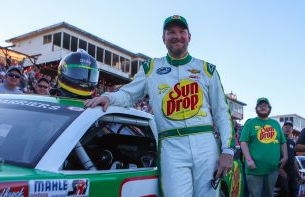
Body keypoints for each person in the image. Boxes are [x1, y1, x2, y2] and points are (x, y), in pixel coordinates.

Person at [84, 15, 234, 197]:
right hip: (171, 145)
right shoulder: (151, 68)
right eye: (171, 32)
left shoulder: (207, 69)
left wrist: (227, 150)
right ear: (164, 38)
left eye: (182, 32)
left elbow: (221, 112)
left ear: (189, 37)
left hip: (205, 143)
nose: (177, 36)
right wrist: (109, 98)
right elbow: (128, 94)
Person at [240, 97, 287, 197]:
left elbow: (283, 142)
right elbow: (243, 142)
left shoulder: (275, 124)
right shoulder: (250, 123)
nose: (263, 107)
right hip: (254, 170)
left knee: (269, 195)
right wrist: (249, 159)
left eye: (265, 105)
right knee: (255, 195)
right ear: (256, 109)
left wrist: (285, 157)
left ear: (269, 108)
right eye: (260, 105)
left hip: (272, 169)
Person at [277, 120, 299, 197]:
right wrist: (279, 170)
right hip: (281, 173)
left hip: (292, 175)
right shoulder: (276, 141)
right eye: (286, 126)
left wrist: (298, 175)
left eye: (290, 127)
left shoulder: (292, 142)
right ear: (282, 128)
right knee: (285, 193)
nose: (288, 128)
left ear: (292, 130)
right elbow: (272, 158)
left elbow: (294, 159)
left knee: (294, 193)